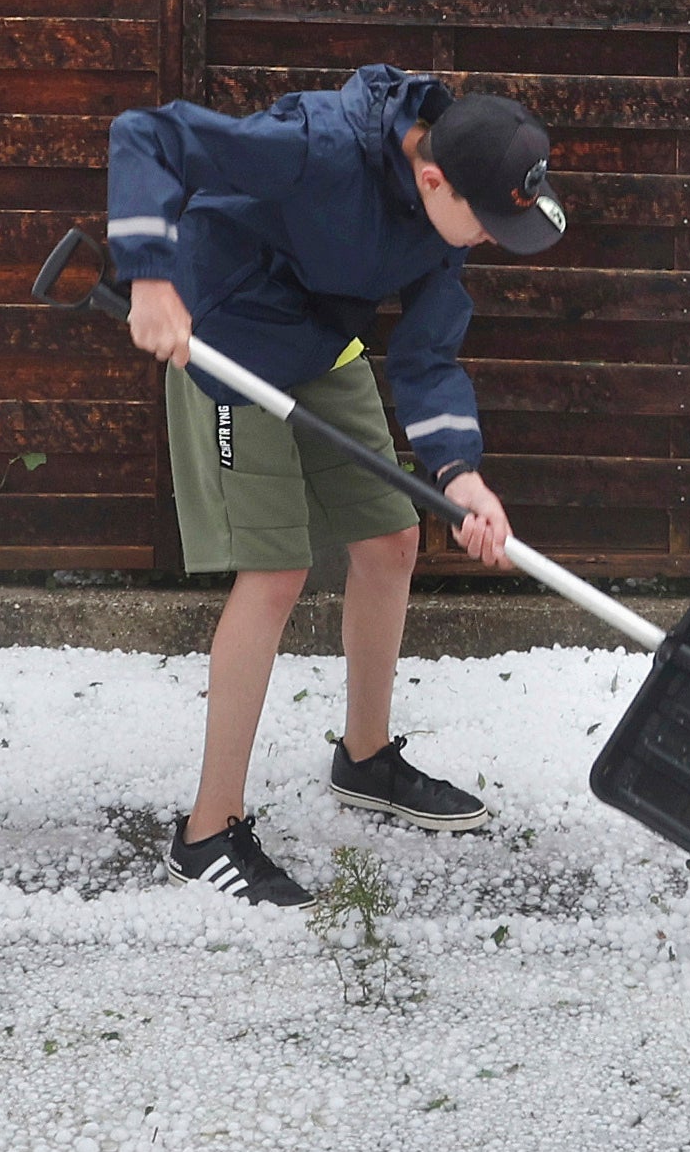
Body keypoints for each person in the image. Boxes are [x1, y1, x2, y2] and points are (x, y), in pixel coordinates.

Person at [102, 67, 570, 905]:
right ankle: (206, 831)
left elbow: (428, 357)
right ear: (432, 178)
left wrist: (461, 474)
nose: (494, 238)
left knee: (393, 538)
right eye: (490, 221)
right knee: (277, 571)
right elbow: (149, 133)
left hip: (322, 343)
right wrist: (149, 273)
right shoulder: (317, 147)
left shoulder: (440, 221)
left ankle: (363, 758)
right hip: (227, 344)